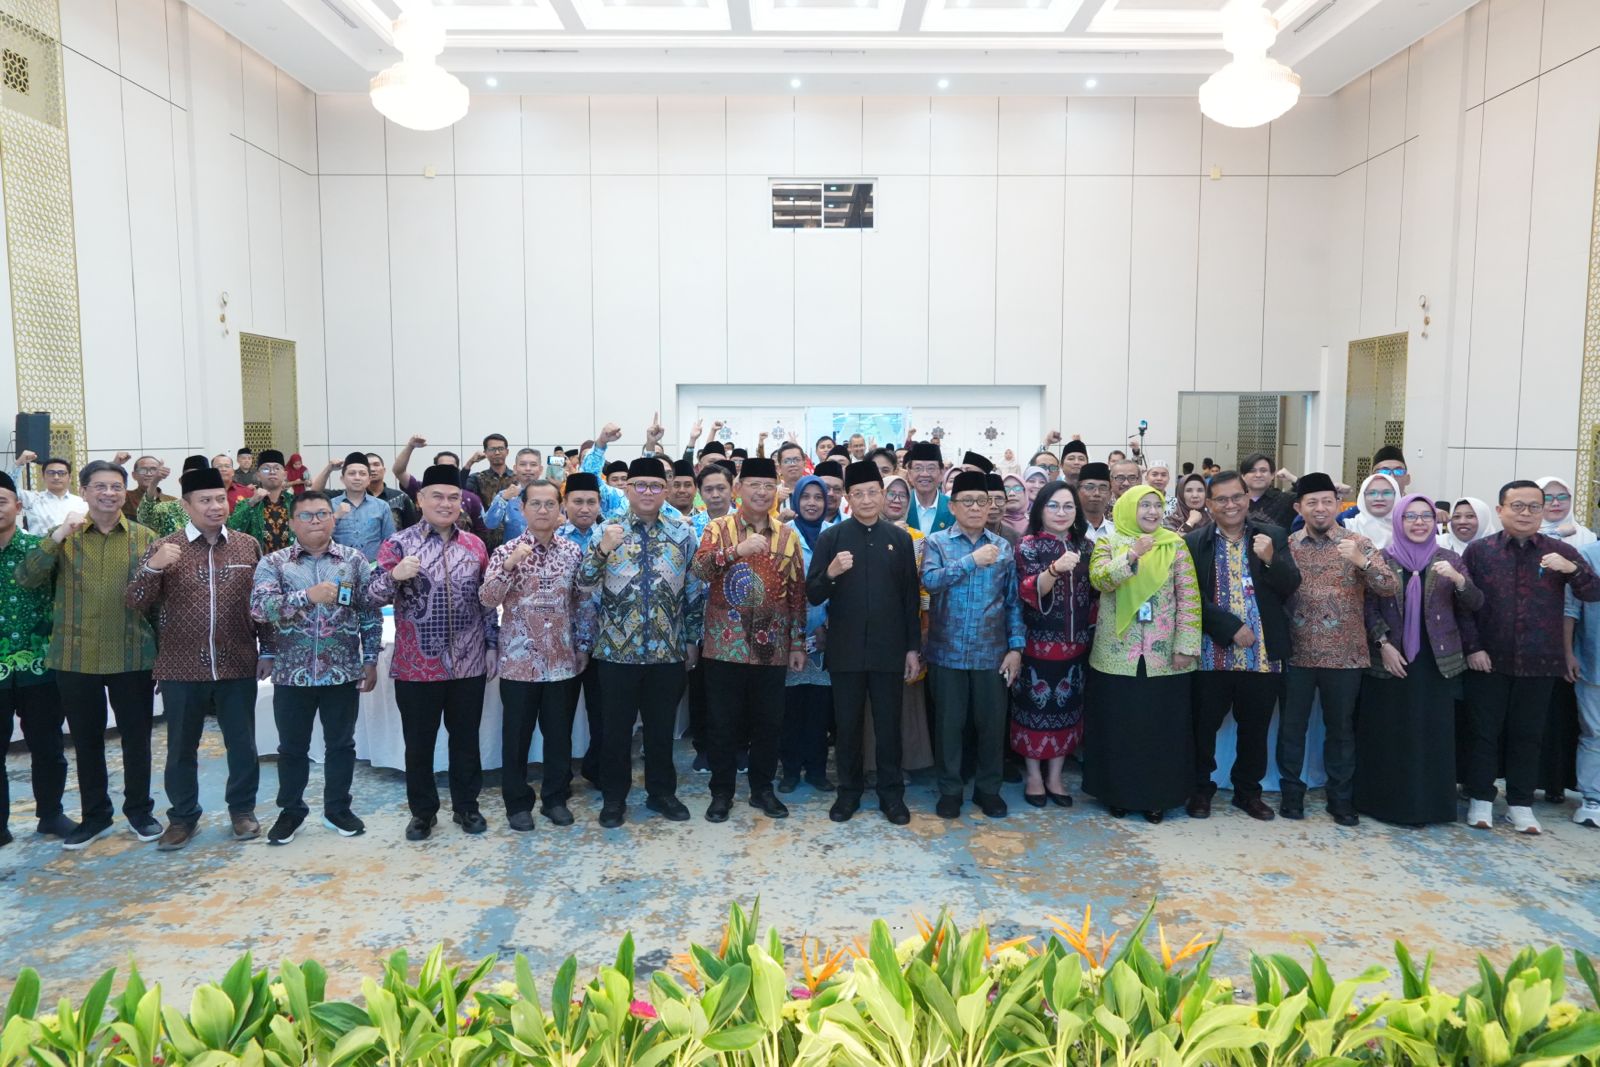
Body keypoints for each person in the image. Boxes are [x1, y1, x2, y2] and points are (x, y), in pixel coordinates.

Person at [16, 460, 160, 850]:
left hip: (133, 654)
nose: (108, 494)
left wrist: (163, 655)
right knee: (86, 741)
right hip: (76, 657)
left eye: (116, 486)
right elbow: (27, 578)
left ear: (124, 492)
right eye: (100, 486)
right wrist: (59, 534)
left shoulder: (145, 537)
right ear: (84, 491)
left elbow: (158, 600)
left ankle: (140, 811)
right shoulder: (65, 536)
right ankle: (96, 816)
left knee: (136, 740)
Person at [124, 464, 266, 851]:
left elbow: (262, 604)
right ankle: (183, 818)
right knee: (181, 749)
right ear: (186, 505)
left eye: (220, 499)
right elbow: (134, 601)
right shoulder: (165, 546)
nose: (215, 506)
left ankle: (242, 811)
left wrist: (267, 649)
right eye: (205, 500)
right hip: (180, 666)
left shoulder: (246, 545)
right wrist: (153, 568)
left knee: (243, 745)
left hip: (238, 662)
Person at [368, 465, 500, 840]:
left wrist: (492, 644)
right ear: (420, 499)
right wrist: (394, 576)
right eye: (437, 496)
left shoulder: (475, 546)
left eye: (453, 497)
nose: (446, 504)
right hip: (416, 666)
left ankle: (467, 807)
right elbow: (369, 597)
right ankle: (423, 813)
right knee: (419, 744)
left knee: (466, 740)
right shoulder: (398, 545)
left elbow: (487, 602)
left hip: (469, 662)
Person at [1461, 480, 1600, 834]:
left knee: (1528, 735)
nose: (1526, 513)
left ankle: (1520, 803)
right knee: (1484, 733)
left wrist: (1572, 570)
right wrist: (1473, 647)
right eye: (1518, 506)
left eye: (1534, 507)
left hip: (1540, 662)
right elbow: (1463, 604)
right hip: (1488, 660)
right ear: (1500, 510)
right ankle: (1480, 798)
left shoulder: (1559, 550)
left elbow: (1592, 592)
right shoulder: (1479, 551)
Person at [577, 458, 704, 829]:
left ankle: (661, 793)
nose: (648, 492)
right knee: (615, 732)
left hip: (667, 651)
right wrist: (602, 550)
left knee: (660, 731)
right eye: (640, 485)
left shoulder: (682, 533)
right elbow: (583, 584)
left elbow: (693, 590)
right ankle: (614, 798)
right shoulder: (607, 530)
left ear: (665, 490)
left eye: (655, 485)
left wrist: (691, 638)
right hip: (616, 653)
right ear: (628, 489)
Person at [250, 489, 382, 845]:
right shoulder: (275, 563)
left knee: (341, 745)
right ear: (292, 522)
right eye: (306, 516)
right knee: (292, 748)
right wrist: (306, 596)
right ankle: (291, 812)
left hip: (342, 671)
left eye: (323, 514)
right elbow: (260, 609)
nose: (316, 521)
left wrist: (370, 658)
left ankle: (337, 809)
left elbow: (369, 613)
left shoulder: (354, 561)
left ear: (332, 518)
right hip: (292, 673)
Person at [1280, 472, 1400, 826]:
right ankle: (1291, 796)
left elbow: (1389, 587)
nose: (1320, 508)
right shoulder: (1287, 545)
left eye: (1327, 501)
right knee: (1292, 729)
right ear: (1298, 507)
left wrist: (1363, 562)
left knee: (1341, 731)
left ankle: (1340, 800)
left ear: (1337, 505)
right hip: (1297, 653)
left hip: (1345, 654)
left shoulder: (1358, 542)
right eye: (1312, 502)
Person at [1354, 493, 1482, 826]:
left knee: (1430, 734)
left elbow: (1474, 604)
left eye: (1425, 515)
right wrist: (1383, 644)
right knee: (1389, 732)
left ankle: (1431, 807)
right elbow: (1368, 607)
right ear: (1398, 521)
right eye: (1410, 516)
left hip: (1435, 662)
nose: (1419, 522)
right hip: (1392, 659)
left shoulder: (1450, 559)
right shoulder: (1382, 559)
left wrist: (1458, 580)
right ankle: (1384, 805)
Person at [692, 458, 807, 822]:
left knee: (768, 724)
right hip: (724, 647)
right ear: (739, 488)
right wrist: (736, 552)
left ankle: (762, 790)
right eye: (754, 485)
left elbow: (797, 594)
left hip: (771, 649)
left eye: (768, 486)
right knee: (722, 724)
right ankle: (721, 792)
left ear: (777, 491)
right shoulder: (718, 528)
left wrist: (797, 643)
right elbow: (699, 569)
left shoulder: (788, 536)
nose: (761, 492)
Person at [807, 460, 921, 825]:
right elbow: (813, 593)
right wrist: (831, 572)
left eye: (873, 492)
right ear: (847, 498)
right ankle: (849, 792)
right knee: (848, 727)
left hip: (889, 650)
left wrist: (912, 649)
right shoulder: (832, 538)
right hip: (846, 650)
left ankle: (892, 795)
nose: (867, 499)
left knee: (888, 726)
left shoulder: (900, 539)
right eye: (858, 493)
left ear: (883, 495)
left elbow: (910, 598)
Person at [1183, 471, 1300, 821]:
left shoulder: (1272, 536)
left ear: (1248, 497)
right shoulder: (1195, 542)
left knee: (1255, 729)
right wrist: (1230, 627)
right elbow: (1189, 597)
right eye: (1221, 499)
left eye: (1237, 497)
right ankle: (1199, 789)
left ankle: (1247, 792)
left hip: (1262, 656)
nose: (1230, 505)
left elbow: (1291, 585)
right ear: (1209, 504)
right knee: (1203, 727)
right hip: (1211, 654)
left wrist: (1271, 560)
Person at [479, 479, 594, 830]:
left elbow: (582, 601)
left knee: (559, 736)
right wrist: (510, 566)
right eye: (535, 504)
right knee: (516, 737)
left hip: (561, 661)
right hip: (519, 663)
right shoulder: (505, 551)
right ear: (523, 508)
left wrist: (583, 645)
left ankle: (555, 799)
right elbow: (487, 599)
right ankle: (517, 804)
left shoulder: (572, 552)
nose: (543, 510)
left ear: (560, 509)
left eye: (549, 504)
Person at [1085, 484, 1201, 822]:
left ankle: (1157, 797)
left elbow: (1189, 598)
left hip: (1164, 656)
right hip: (1116, 654)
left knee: (1159, 728)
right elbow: (1099, 580)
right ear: (1128, 508)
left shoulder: (1175, 544)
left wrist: (1185, 646)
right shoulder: (1109, 543)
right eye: (1144, 505)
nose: (1152, 511)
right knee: (1119, 727)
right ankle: (1116, 794)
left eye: (1157, 505)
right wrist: (1131, 555)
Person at [921, 471, 1024, 819]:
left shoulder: (1003, 547)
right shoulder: (937, 543)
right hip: (946, 652)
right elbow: (930, 582)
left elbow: (1013, 602)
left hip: (991, 653)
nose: (977, 507)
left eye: (983, 501)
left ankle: (988, 790)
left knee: (991, 727)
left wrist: (1016, 649)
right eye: (968, 501)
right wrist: (971, 561)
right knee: (948, 727)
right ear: (952, 506)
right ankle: (950, 790)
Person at [1010, 481, 1095, 807]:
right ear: (1041, 509)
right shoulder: (1028, 545)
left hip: (1076, 647)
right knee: (1033, 710)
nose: (1061, 512)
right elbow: (1028, 589)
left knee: (1067, 710)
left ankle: (1055, 776)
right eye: (1054, 506)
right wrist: (1055, 570)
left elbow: (1097, 594)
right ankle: (1034, 776)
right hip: (1036, 647)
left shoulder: (1086, 546)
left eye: (1068, 506)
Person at [0, 472, 74, 847]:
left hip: (40, 667)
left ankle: (51, 815)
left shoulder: (39, 549)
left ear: (18, 506)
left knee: (48, 747)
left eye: (1, 501)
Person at [555, 472, 609, 786]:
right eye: (578, 501)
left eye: (591, 501)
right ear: (565, 503)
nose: (585, 508)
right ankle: (560, 776)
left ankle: (597, 768)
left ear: (600, 504)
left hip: (605, 640)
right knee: (560, 715)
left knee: (603, 713)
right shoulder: (555, 538)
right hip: (564, 639)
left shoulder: (613, 536)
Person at [781, 476, 834, 792]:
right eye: (806, 497)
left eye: (818, 497)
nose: (812, 503)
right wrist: (796, 632)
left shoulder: (835, 534)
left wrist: (827, 624)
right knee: (790, 707)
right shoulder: (783, 534)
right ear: (796, 500)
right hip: (790, 635)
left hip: (826, 635)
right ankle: (789, 770)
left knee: (819, 708)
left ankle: (816, 770)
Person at [1564, 534, 1600, 828]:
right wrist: (1567, 652)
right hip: (1593, 658)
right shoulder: (1587, 555)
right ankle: (1592, 797)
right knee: (1594, 732)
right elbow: (1571, 609)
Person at [330, 452, 396, 562]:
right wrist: (335, 517)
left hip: (373, 568)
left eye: (362, 474)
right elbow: (321, 540)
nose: (357, 478)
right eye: (352, 473)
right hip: (339, 567)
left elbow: (389, 542)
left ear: (369, 479)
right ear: (342, 479)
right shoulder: (331, 505)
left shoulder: (382, 506)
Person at [227, 449, 296, 553]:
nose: (272, 472)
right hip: (259, 562)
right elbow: (232, 530)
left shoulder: (295, 502)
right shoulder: (247, 504)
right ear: (258, 476)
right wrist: (251, 503)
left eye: (277, 468)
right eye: (266, 469)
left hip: (291, 561)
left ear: (285, 475)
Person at [8, 452, 86, 535]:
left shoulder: (82, 503)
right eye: (51, 473)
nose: (56, 477)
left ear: (70, 478)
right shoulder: (33, 499)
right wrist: (19, 463)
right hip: (39, 543)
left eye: (61, 473)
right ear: (43, 477)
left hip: (73, 543)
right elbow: (7, 488)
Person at [462, 434, 518, 548]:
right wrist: (470, 463)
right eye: (492, 449)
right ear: (485, 452)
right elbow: (460, 490)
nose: (497, 452)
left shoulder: (518, 478)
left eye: (500, 448)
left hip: (514, 539)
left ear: (507, 451)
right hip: (484, 539)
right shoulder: (477, 478)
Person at [482, 448, 545, 543]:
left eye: (533, 465)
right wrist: (503, 499)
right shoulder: (505, 495)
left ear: (540, 470)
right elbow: (490, 524)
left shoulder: (550, 495)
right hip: (513, 551)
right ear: (515, 469)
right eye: (523, 464)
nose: (528, 468)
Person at [1343, 472, 1401, 551]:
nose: (1379, 498)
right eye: (1372, 493)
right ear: (1363, 497)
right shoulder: (1347, 527)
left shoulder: (1406, 529)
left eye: (1387, 493)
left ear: (1396, 496)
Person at [364, 452, 420, 532]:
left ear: (384, 470)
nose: (372, 469)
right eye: (368, 466)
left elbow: (411, 529)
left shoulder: (400, 497)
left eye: (376, 465)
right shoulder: (357, 499)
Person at [905, 442, 953, 533]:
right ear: (910, 474)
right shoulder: (901, 505)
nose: (924, 474)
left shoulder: (954, 507)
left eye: (931, 468)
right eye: (918, 468)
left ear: (941, 473)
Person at [1242, 453, 1296, 530]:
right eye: (1252, 471)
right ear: (1243, 476)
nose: (1258, 475)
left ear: (1272, 475)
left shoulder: (1285, 500)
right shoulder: (1236, 501)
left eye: (1263, 470)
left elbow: (1312, 493)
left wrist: (1293, 479)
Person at [124, 456, 169, 522]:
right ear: (134, 475)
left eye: (153, 470)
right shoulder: (125, 497)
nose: (148, 474)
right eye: (143, 470)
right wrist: (116, 463)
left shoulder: (171, 501)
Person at [1077, 462, 1114, 542]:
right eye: (1089, 487)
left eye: (1103, 488)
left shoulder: (1116, 531)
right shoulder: (1068, 529)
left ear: (1110, 494)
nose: (1097, 493)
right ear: (1077, 492)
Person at [984, 473, 1019, 547]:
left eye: (999, 499)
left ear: (1006, 503)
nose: (993, 506)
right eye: (988, 500)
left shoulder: (1014, 537)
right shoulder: (968, 535)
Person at [999, 473, 1029, 538]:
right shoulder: (992, 524)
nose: (1011, 493)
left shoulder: (1035, 524)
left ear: (1025, 493)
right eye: (1005, 489)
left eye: (1017, 488)